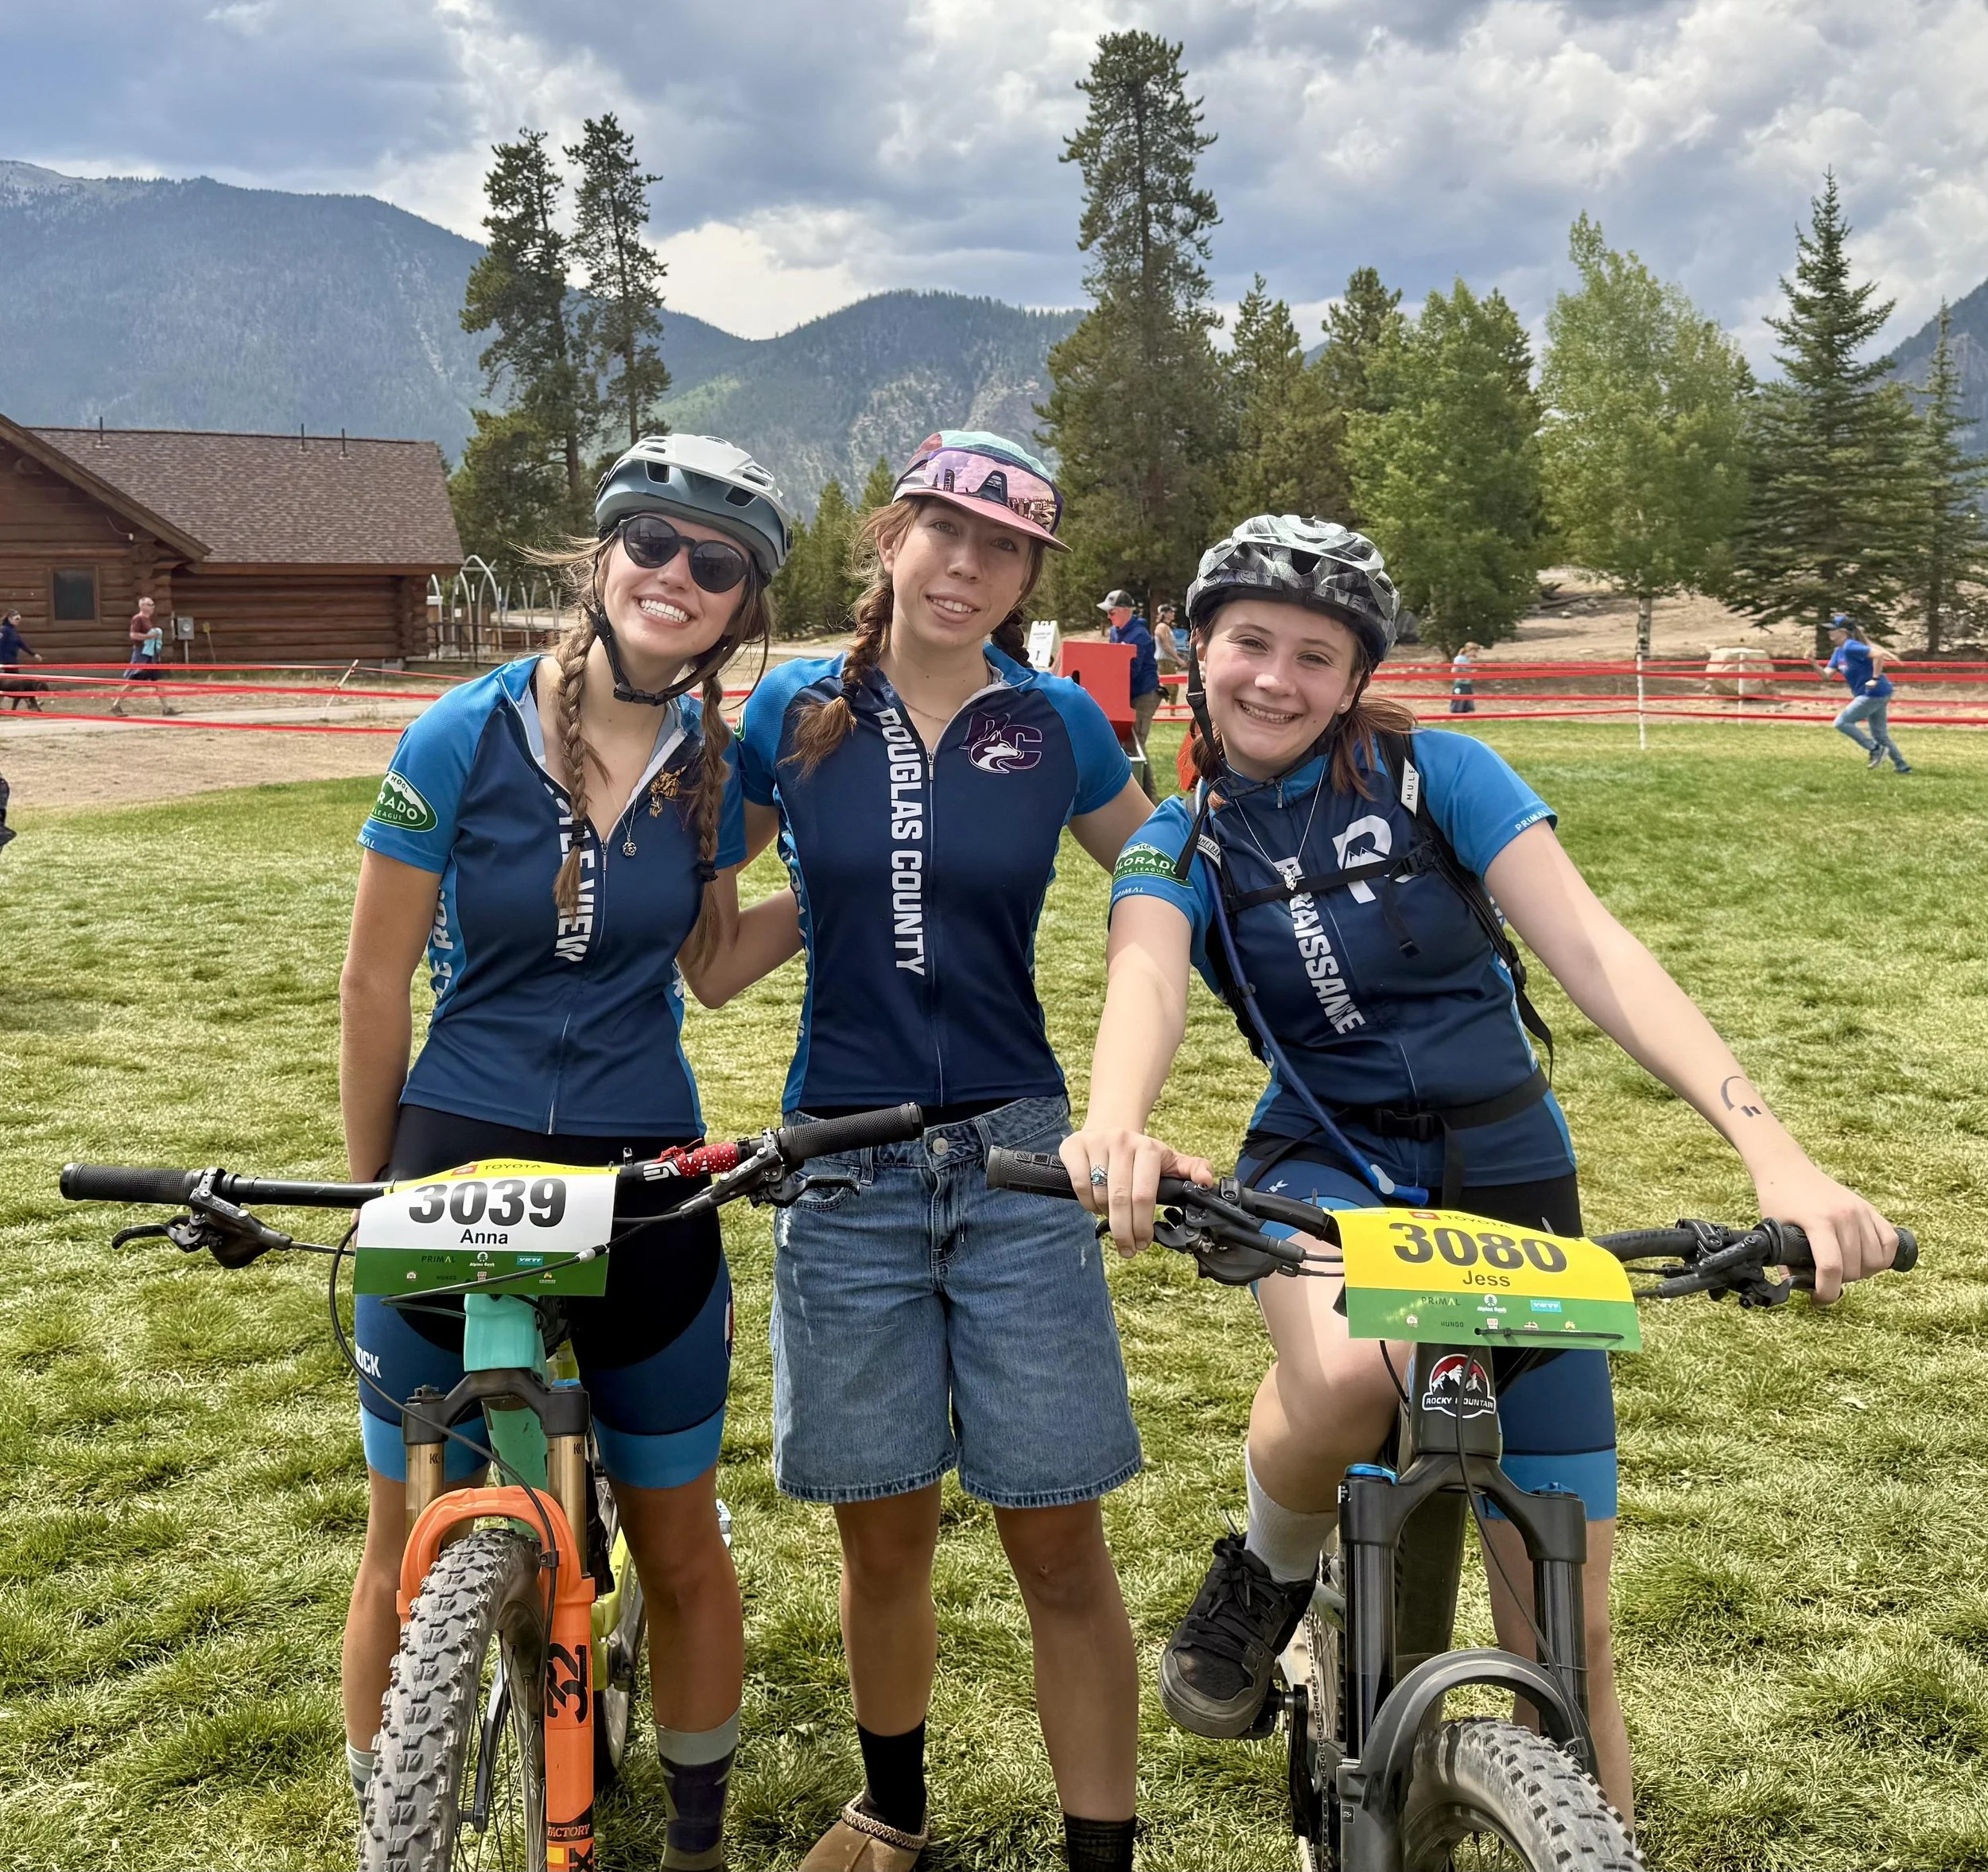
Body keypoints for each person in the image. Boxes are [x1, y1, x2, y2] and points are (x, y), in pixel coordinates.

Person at [1062, 515, 1902, 1822]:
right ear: (1197, 648)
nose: (1277, 678)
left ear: (1354, 676)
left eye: (1315, 654)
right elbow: (1146, 977)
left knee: (1567, 1645)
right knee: (1348, 1364)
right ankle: (1268, 1567)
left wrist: (1774, 1150)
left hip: (1514, 1185)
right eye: (1250, 643)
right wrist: (1117, 1117)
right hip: (1323, 1174)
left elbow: (1600, 952)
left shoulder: (1436, 772)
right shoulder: (1180, 838)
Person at [338, 433, 804, 1871]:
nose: (676, 574)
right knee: (392, 1532)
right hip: (454, 1149)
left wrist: (844, 895)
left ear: (741, 609)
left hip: (644, 1165)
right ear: (599, 561)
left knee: (676, 1538)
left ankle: (698, 1835)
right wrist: (371, 1195)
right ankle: (390, 1818)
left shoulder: (715, 767)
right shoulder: (458, 734)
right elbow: (374, 982)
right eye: (651, 545)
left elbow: (717, 964)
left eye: (712, 564)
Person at [737, 431, 1155, 1872]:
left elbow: (1158, 878)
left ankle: (1102, 1851)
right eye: (943, 532)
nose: (966, 566)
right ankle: (893, 1808)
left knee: (1056, 1543)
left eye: (1004, 547)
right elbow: (706, 929)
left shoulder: (1054, 723)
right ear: (889, 536)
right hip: (840, 1162)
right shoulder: (791, 710)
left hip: (1024, 1164)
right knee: (886, 1541)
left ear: (1030, 572)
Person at [1823, 615, 1909, 773]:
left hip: (1873, 693)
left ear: (1843, 632)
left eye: (1832, 630)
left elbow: (1877, 655)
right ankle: (1902, 767)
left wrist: (1874, 679)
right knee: (1880, 734)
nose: (1829, 633)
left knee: (1841, 723)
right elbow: (1826, 676)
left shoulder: (1850, 646)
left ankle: (1874, 749)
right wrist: (1812, 662)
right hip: (1875, 693)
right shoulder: (1838, 651)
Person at [1099, 588, 1161, 794]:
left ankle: (1148, 799)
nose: (1108, 616)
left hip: (1144, 695)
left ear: (1126, 611)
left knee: (1136, 747)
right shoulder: (1116, 632)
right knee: (1131, 747)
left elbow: (1130, 672)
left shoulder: (1139, 635)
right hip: (1128, 695)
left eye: (1112, 612)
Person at [109, 596, 176, 717]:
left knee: (158, 681)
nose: (153, 607)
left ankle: (167, 708)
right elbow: (133, 635)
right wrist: (149, 637)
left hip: (151, 656)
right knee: (134, 682)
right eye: (150, 604)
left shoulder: (148, 620)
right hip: (142, 654)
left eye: (153, 605)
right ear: (143, 606)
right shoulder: (138, 619)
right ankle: (116, 705)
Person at [0, 611, 46, 711]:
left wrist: (33, 654)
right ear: (10, 619)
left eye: (19, 620)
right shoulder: (3, 630)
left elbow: (21, 644)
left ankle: (31, 704)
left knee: (19, 685)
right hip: (5, 663)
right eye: (16, 619)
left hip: (13, 662)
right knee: (6, 685)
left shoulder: (13, 631)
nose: (18, 621)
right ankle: (31, 704)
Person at [1449, 638, 1482, 714]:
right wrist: (1468, 674)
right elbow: (1454, 671)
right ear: (1469, 650)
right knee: (1459, 700)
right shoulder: (1459, 659)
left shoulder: (1467, 660)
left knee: (1467, 700)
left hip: (1467, 683)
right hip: (1460, 683)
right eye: (1474, 651)